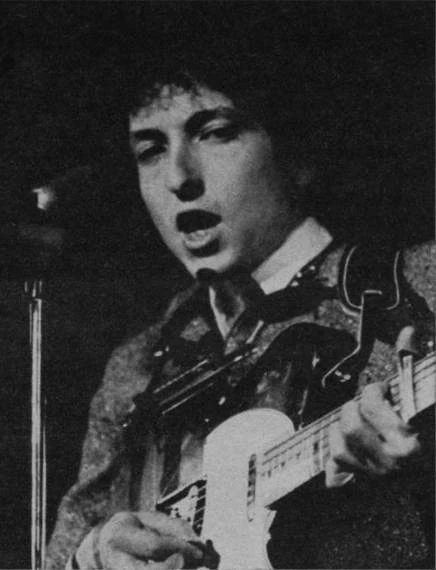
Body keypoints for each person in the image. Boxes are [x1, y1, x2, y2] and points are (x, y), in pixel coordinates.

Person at [46, 26, 435, 570]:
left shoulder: (421, 281)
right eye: (151, 150)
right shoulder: (135, 367)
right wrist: (92, 558)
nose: (179, 177)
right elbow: (64, 552)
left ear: (298, 152)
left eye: (215, 133)